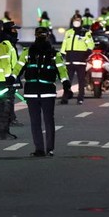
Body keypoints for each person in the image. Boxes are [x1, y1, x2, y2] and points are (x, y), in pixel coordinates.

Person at [14, 28, 70, 157]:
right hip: (37, 92)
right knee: (42, 121)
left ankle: (46, 148)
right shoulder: (29, 53)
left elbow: (62, 70)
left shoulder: (53, 54)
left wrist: (66, 82)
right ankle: (42, 149)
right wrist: (12, 77)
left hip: (41, 92)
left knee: (42, 121)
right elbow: (18, 67)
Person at [0, 21, 19, 139]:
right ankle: (3, 132)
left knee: (5, 103)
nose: (16, 32)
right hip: (4, 79)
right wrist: (9, 78)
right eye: (14, 29)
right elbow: (6, 62)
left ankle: (5, 130)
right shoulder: (5, 44)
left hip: (3, 78)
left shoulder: (5, 43)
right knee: (4, 105)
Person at [60, 16, 94, 104]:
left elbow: (90, 45)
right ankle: (65, 97)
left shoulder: (86, 33)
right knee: (67, 80)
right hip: (69, 59)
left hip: (80, 60)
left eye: (78, 21)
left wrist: (86, 54)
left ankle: (80, 98)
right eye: (75, 21)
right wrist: (62, 54)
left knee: (81, 80)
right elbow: (64, 44)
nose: (76, 22)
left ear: (81, 22)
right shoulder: (68, 32)